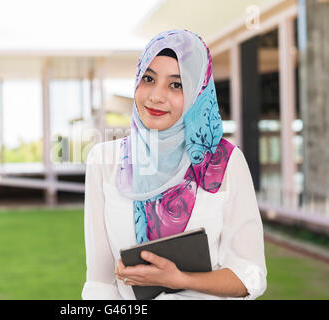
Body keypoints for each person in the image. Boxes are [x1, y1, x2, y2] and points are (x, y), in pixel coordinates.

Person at [81, 29, 267, 300]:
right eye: (149, 79)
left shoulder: (225, 162)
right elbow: (100, 281)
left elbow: (250, 274)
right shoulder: (104, 161)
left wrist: (179, 279)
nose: (156, 96)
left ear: (197, 93)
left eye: (176, 85)